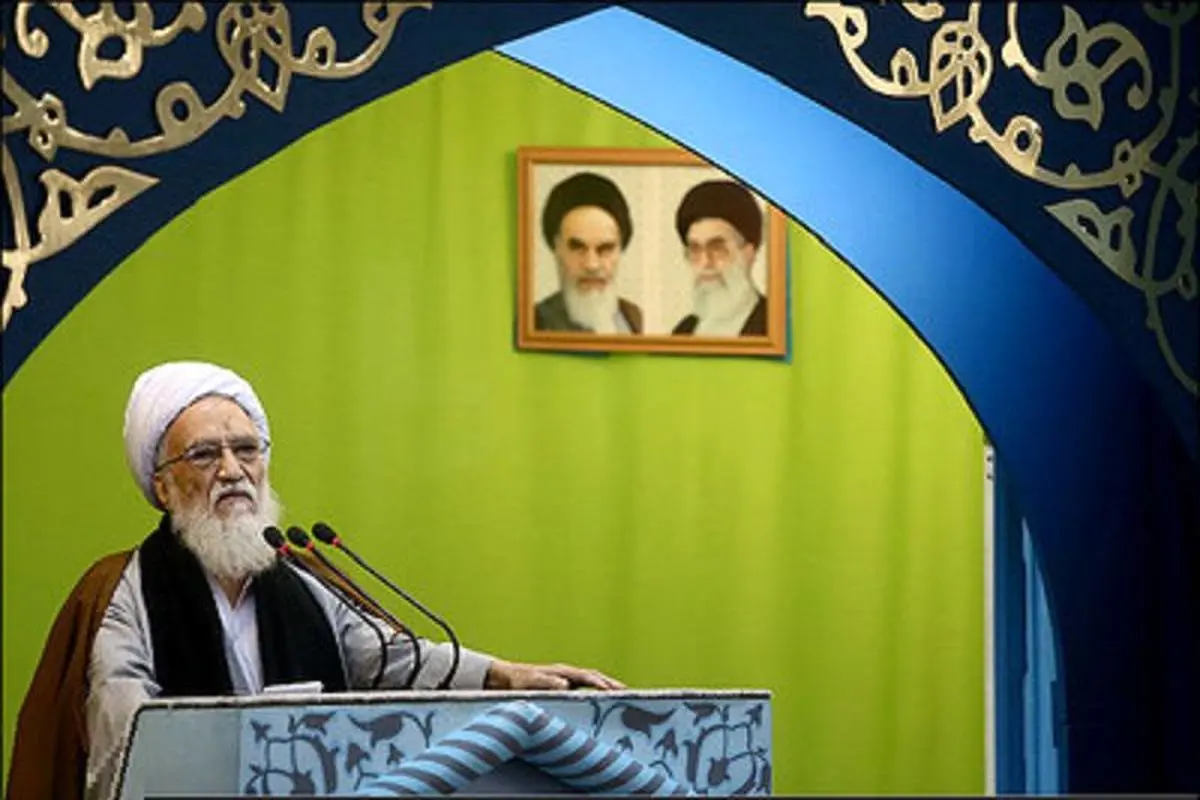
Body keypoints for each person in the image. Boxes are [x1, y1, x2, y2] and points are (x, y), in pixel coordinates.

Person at [7, 361, 623, 800]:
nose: (232, 470)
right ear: (162, 486)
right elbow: (124, 733)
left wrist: (502, 675)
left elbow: (390, 658)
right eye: (205, 454)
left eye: (247, 450)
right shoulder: (123, 590)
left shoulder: (297, 573)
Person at [535, 172, 643, 334]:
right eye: (577, 248)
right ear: (555, 247)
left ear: (621, 248)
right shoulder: (534, 323)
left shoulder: (633, 318)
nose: (591, 265)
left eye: (605, 249)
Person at [671, 180, 769, 337]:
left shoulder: (773, 325)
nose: (705, 263)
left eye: (717, 249)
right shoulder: (684, 331)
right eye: (695, 249)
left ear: (748, 253)